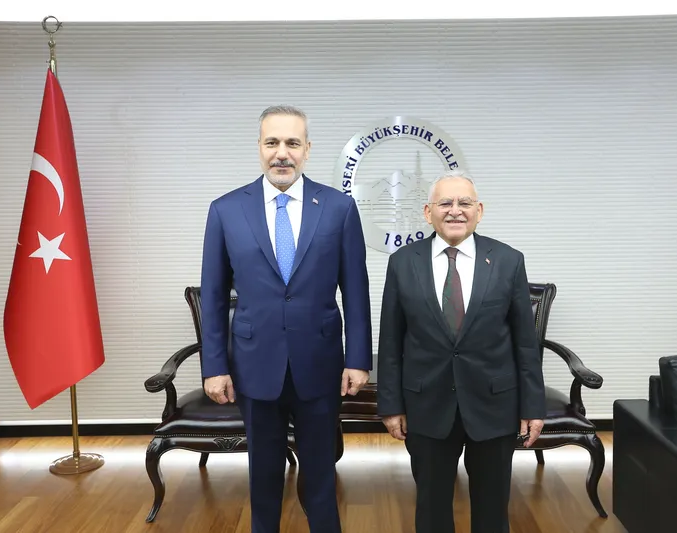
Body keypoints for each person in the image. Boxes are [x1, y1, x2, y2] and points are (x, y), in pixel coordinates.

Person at [199, 105, 372, 533]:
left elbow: (355, 290)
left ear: (307, 149)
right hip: (254, 364)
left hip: (320, 363)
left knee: (321, 474)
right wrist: (214, 366)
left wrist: (358, 359)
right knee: (263, 474)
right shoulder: (225, 210)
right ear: (259, 147)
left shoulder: (339, 208)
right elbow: (214, 297)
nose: (282, 153)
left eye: (292, 143)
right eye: (272, 142)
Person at [377, 169, 546, 533]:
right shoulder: (403, 262)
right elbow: (390, 340)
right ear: (428, 212)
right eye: (445, 203)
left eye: (464, 203)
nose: (455, 210)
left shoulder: (508, 260)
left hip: (494, 405)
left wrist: (532, 406)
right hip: (427, 406)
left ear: (479, 211)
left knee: (492, 510)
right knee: (431, 509)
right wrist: (391, 405)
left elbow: (524, 342)